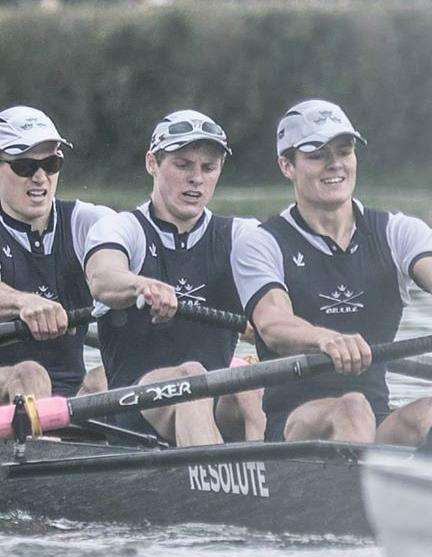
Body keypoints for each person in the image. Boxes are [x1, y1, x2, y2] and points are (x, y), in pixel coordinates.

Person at [231, 100, 432, 444]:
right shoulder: (261, 241)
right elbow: (273, 324)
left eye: (344, 151)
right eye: (317, 155)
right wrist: (325, 338)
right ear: (286, 165)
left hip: (377, 424)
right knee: (351, 407)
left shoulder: (398, 231)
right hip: (293, 428)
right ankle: (360, 493)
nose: (335, 164)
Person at [82, 110, 261, 445]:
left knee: (252, 380)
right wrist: (140, 285)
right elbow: (102, 277)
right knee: (191, 376)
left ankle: (276, 477)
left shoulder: (242, 235)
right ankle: (222, 485)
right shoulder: (122, 228)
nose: (197, 178)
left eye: (208, 168)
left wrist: (271, 317)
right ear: (152, 162)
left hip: (213, 408)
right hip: (134, 414)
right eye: (183, 165)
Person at [0, 106, 116, 409]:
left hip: (71, 399)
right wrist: (25, 303)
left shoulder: (87, 220)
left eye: (51, 164)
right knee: (31, 374)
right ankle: (44, 448)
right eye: (25, 166)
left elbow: (127, 267)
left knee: (111, 378)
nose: (40, 177)